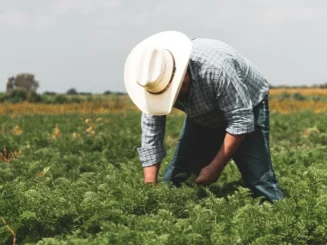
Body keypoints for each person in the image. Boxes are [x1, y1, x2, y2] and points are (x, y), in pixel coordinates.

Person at [124, 31, 283, 202]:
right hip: (202, 114)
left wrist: (215, 167)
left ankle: (279, 211)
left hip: (248, 105)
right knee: (178, 178)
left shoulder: (216, 69)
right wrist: (150, 191)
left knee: (258, 179)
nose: (174, 96)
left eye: (174, 90)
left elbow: (241, 121)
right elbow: (151, 139)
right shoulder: (152, 81)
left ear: (182, 73)